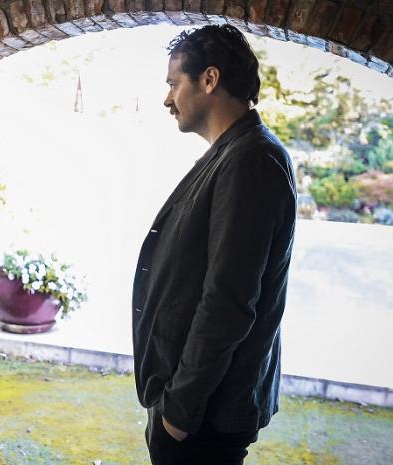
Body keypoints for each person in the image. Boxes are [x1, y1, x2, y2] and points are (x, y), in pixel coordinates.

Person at [132, 25, 297, 465]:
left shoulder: (251, 160)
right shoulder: (233, 153)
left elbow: (228, 300)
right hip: (194, 407)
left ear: (209, 79)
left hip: (204, 415)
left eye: (174, 84)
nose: (167, 99)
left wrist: (178, 412)